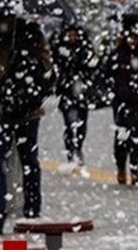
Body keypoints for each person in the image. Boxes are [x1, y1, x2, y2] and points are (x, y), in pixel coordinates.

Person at [0, 12, 53, 236]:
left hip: (26, 111)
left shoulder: (30, 32)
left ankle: (32, 213)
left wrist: (22, 55)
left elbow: (47, 68)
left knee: (28, 161)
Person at [105, 24, 138, 186]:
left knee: (135, 136)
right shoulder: (117, 55)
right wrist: (113, 92)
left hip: (136, 101)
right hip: (120, 102)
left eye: (135, 38)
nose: (132, 41)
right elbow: (106, 75)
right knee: (121, 136)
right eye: (129, 38)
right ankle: (121, 168)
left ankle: (135, 169)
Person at [51, 25, 97, 174]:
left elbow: (91, 68)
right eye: (69, 35)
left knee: (82, 125)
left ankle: (78, 148)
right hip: (67, 92)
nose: (72, 38)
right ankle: (71, 153)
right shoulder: (59, 48)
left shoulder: (84, 49)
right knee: (70, 125)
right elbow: (57, 67)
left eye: (74, 35)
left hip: (81, 91)